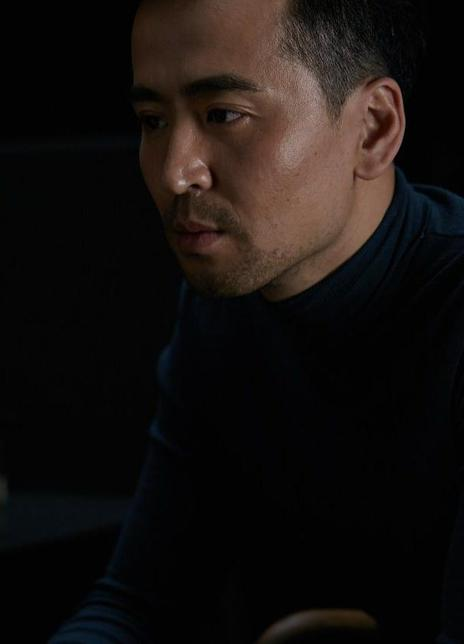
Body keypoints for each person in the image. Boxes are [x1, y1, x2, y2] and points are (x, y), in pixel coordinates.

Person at [49, 0, 464, 642]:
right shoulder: (226, 306)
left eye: (223, 114)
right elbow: (138, 603)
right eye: (152, 120)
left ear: (373, 129)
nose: (174, 172)